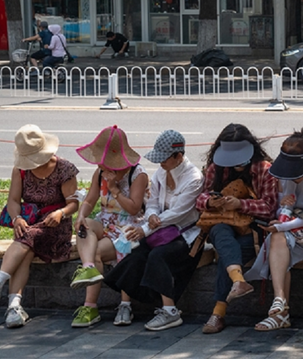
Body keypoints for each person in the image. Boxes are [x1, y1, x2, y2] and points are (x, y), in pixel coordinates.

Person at [0, 125, 80, 328]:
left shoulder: (64, 169)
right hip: (30, 224)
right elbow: (13, 200)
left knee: (27, 239)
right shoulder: (20, 170)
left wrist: (60, 213)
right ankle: (14, 307)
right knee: (27, 247)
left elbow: (73, 204)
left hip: (56, 226)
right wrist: (17, 219)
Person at [103, 130, 204, 331]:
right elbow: (153, 203)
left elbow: (178, 213)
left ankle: (170, 310)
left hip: (186, 235)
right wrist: (150, 216)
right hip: (160, 231)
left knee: (159, 255)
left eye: (165, 158)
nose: (161, 163)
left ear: (179, 156)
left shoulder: (194, 178)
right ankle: (126, 304)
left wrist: (147, 228)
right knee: (136, 251)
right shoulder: (160, 174)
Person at [245, 128, 303, 331]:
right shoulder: (283, 175)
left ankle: (281, 311)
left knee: (278, 238)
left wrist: (282, 225)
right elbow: (282, 209)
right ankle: (280, 303)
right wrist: (284, 207)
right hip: (291, 232)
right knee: (279, 239)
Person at [195, 124, 279, 334]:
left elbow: (270, 207)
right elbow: (201, 197)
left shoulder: (265, 170)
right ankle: (238, 282)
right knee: (220, 230)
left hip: (253, 229)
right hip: (223, 224)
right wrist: (211, 202)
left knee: (227, 253)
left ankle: (218, 312)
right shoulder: (217, 168)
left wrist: (241, 205)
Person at [69, 125, 148, 328]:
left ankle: (90, 306)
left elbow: (134, 209)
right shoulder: (100, 173)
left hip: (126, 227)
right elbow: (90, 200)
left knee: (96, 253)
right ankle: (87, 268)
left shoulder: (138, 175)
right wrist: (81, 215)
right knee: (84, 226)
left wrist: (114, 190)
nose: (105, 169)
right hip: (104, 222)